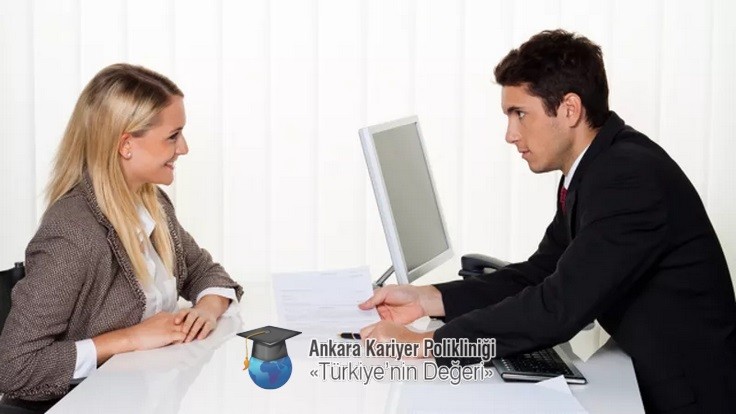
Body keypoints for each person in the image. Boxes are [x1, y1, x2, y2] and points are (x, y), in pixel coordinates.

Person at [359, 30, 736, 413]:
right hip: (647, 374)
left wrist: (429, 344)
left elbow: (559, 307)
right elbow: (541, 274)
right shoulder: (595, 168)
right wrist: (429, 299)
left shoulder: (627, 178)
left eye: (520, 114)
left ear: (569, 109)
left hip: (686, 397)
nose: (510, 134)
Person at [0, 64, 243, 410]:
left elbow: (208, 273)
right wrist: (129, 339)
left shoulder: (152, 203)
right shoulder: (72, 233)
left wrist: (205, 310)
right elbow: (15, 368)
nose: (184, 148)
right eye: (173, 136)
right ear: (126, 144)